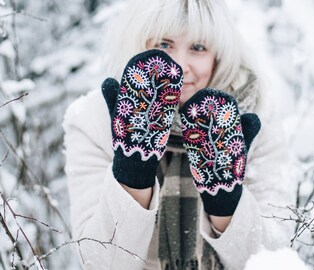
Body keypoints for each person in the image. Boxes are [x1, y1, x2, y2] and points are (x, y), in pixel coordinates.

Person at [63, 0, 295, 269]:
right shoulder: (96, 120)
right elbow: (101, 262)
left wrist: (225, 201)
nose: (181, 65)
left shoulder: (253, 118)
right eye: (164, 44)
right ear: (139, 44)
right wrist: (133, 168)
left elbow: (275, 258)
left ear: (217, 55)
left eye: (198, 47)